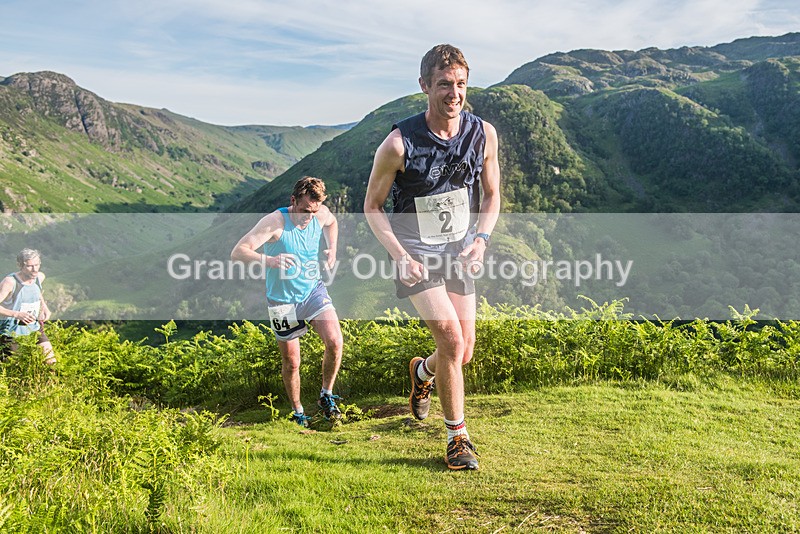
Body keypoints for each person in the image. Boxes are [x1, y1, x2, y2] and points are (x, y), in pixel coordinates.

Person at [364, 44, 501, 470]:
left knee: (463, 352)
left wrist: (481, 240)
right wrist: (400, 256)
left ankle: (422, 373)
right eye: (444, 84)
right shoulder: (397, 144)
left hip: (459, 250)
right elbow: (372, 207)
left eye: (460, 84)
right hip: (417, 253)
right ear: (424, 85)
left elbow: (492, 195)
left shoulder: (484, 134)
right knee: (451, 340)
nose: (454, 93)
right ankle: (457, 438)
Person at [231, 176, 343, 427]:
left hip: (312, 291)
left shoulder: (319, 213)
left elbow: (332, 222)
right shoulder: (274, 222)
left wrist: (332, 248)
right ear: (293, 201)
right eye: (304, 211)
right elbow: (238, 252)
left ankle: (326, 395)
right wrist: (269, 261)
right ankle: (298, 411)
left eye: (313, 212)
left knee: (335, 342)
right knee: (292, 362)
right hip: (281, 301)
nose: (309, 217)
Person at [0, 249, 57, 365]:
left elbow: (37, 291)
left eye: (37, 265)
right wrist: (17, 314)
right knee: (17, 366)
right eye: (30, 266)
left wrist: (44, 306)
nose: (34, 269)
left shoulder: (39, 277)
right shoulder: (10, 282)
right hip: (11, 331)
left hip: (34, 328)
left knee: (51, 362)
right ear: (20, 265)